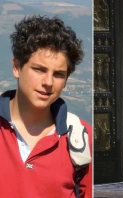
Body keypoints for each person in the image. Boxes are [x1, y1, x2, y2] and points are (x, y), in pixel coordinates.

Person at [0, 15, 92, 197]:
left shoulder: (81, 138)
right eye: (39, 70)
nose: (48, 82)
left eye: (58, 74)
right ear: (17, 67)